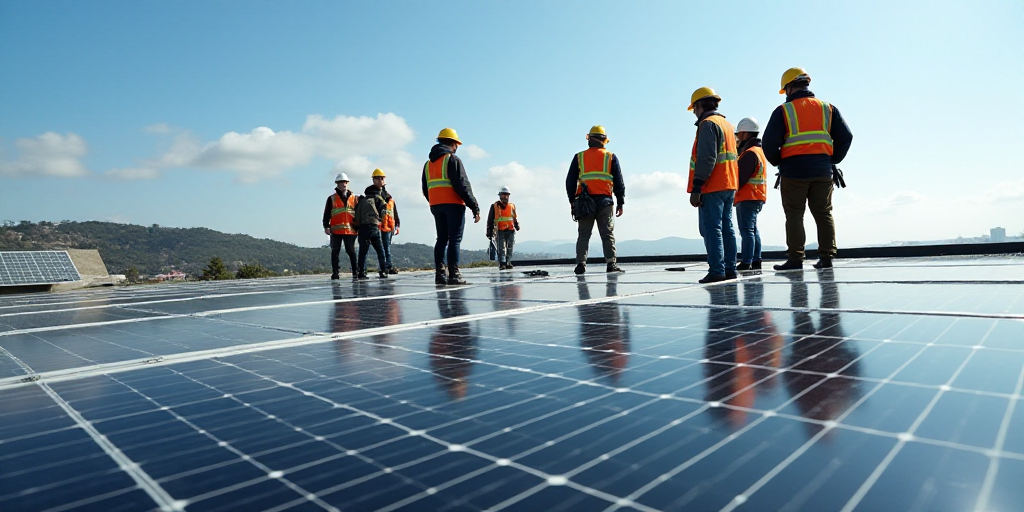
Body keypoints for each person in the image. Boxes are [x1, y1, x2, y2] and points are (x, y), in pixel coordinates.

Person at [762, 67, 853, 270]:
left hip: (793, 172)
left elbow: (768, 143)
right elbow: (846, 136)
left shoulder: (783, 111)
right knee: (823, 213)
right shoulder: (827, 108)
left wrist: (779, 162)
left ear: (789, 87)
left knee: (794, 214)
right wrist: (832, 159)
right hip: (822, 171)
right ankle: (827, 257)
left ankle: (796, 259)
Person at [686, 87, 739, 284]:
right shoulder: (727, 124)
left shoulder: (707, 125)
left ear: (700, 105)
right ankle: (730, 268)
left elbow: (707, 157)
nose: (694, 112)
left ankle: (717, 270)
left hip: (713, 185)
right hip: (729, 183)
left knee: (711, 228)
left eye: (694, 108)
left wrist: (697, 187)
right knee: (727, 228)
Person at [422, 128, 481, 285]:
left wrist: (434, 201)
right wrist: (474, 206)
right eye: (457, 144)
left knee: (441, 238)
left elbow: (425, 188)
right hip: (453, 204)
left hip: (436, 206)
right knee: (454, 239)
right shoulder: (452, 160)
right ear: (453, 143)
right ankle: (454, 274)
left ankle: (440, 274)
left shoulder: (428, 164)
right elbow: (462, 185)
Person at [566, 125, 625, 275]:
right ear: (604, 140)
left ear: (589, 139)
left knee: (584, 235)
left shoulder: (579, 157)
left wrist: (572, 200)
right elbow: (619, 181)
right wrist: (620, 202)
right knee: (607, 234)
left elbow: (570, 181)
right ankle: (611, 263)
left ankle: (581, 264)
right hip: (605, 202)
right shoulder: (610, 157)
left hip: (584, 202)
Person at [733, 117, 769, 271]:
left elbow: (740, 179)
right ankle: (756, 260)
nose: (737, 138)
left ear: (746, 134)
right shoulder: (758, 151)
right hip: (757, 196)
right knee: (753, 229)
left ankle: (747, 261)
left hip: (747, 196)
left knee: (746, 230)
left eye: (739, 134)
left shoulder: (749, 153)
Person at [323, 173, 358, 280]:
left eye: (345, 182)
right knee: (335, 251)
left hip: (350, 230)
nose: (343, 184)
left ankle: (355, 272)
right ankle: (335, 272)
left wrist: (359, 227)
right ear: (337, 184)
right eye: (341, 182)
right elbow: (327, 213)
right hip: (336, 231)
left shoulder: (355, 198)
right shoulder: (331, 199)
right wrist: (326, 226)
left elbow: (359, 213)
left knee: (351, 251)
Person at [357, 170, 390, 279]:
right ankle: (383, 271)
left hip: (362, 228)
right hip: (374, 227)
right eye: (380, 178)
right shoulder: (379, 198)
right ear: (375, 180)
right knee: (380, 251)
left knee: (363, 252)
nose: (382, 181)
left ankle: (361, 272)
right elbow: (383, 211)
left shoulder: (363, 199)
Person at [373, 168, 401, 275]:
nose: (380, 180)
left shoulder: (389, 198)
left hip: (389, 226)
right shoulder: (373, 195)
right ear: (374, 180)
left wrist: (397, 225)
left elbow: (394, 212)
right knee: (383, 249)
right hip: (380, 226)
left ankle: (388, 266)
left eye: (382, 178)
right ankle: (384, 267)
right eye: (378, 178)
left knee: (387, 248)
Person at [485, 186, 520, 270]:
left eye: (507, 195)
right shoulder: (495, 206)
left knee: (510, 247)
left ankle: (508, 262)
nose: (506, 197)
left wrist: (516, 225)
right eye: (504, 195)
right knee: (501, 248)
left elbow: (514, 217)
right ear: (500, 195)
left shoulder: (512, 206)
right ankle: (502, 263)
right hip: (500, 230)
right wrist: (489, 231)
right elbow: (490, 219)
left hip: (510, 230)